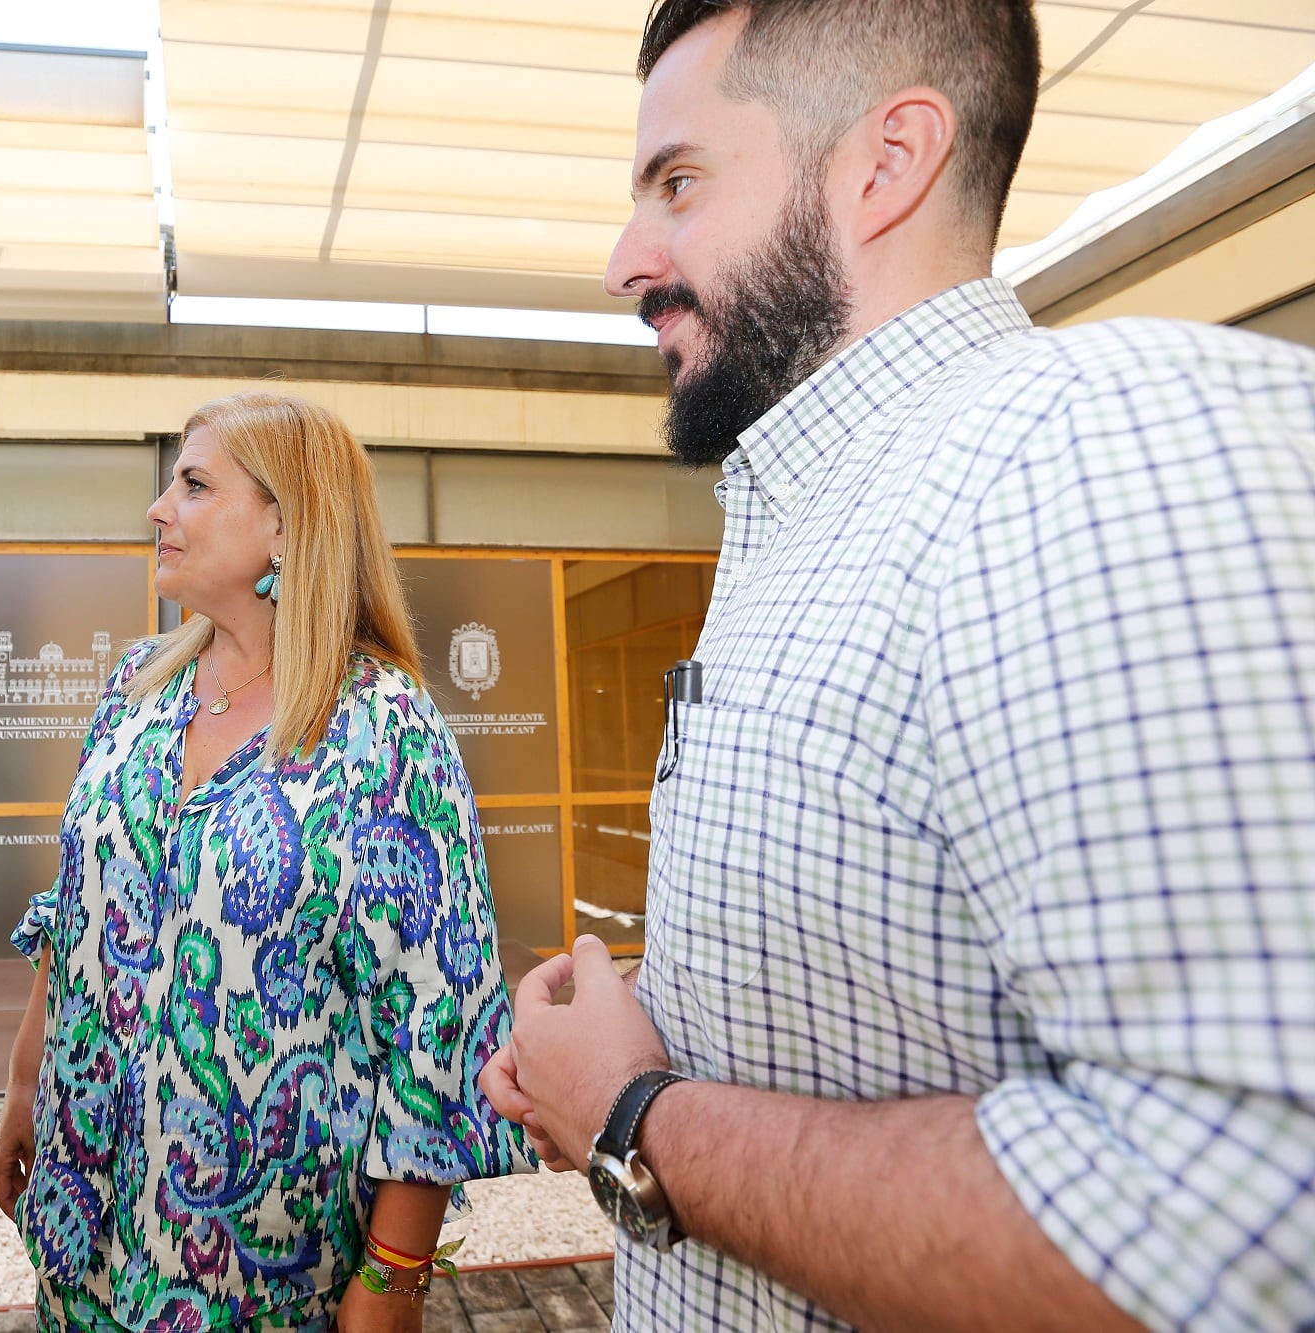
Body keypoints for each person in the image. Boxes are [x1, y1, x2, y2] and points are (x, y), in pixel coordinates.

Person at [479, 2, 1315, 1331]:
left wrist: (633, 1117)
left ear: (889, 161)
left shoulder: (1095, 449)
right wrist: (655, 1033)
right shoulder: (825, 515)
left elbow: (1240, 1228)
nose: (627, 259)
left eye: (680, 182)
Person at [0, 391, 532, 1331]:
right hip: (82, 1225)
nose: (159, 509)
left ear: (287, 523)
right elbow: (80, 911)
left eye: (194, 484)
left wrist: (395, 1277)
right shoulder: (136, 687)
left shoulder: (384, 729)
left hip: (260, 1271)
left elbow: (434, 1026)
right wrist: (20, 1087)